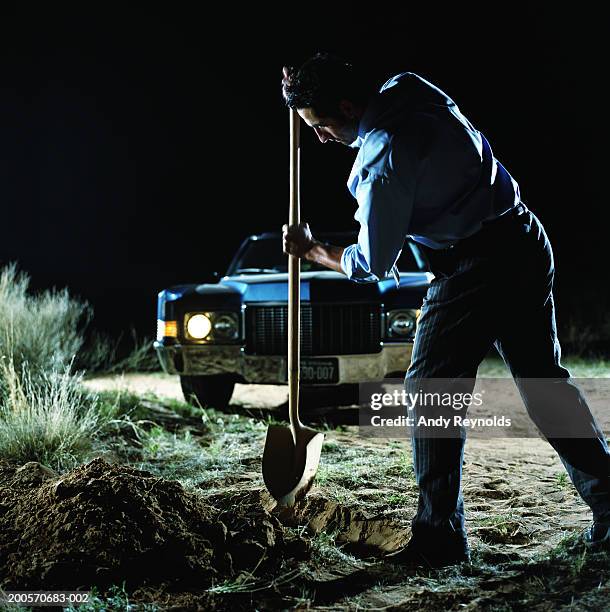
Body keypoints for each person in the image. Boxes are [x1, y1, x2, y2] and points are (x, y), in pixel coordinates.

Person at [281, 53, 610, 568]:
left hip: (475, 266)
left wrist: (312, 249)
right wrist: (301, 88)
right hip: (523, 237)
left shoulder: (382, 157)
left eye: (321, 126)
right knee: (545, 383)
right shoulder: (406, 86)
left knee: (428, 387)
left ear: (347, 106)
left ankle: (439, 534)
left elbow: (373, 261)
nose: (320, 139)